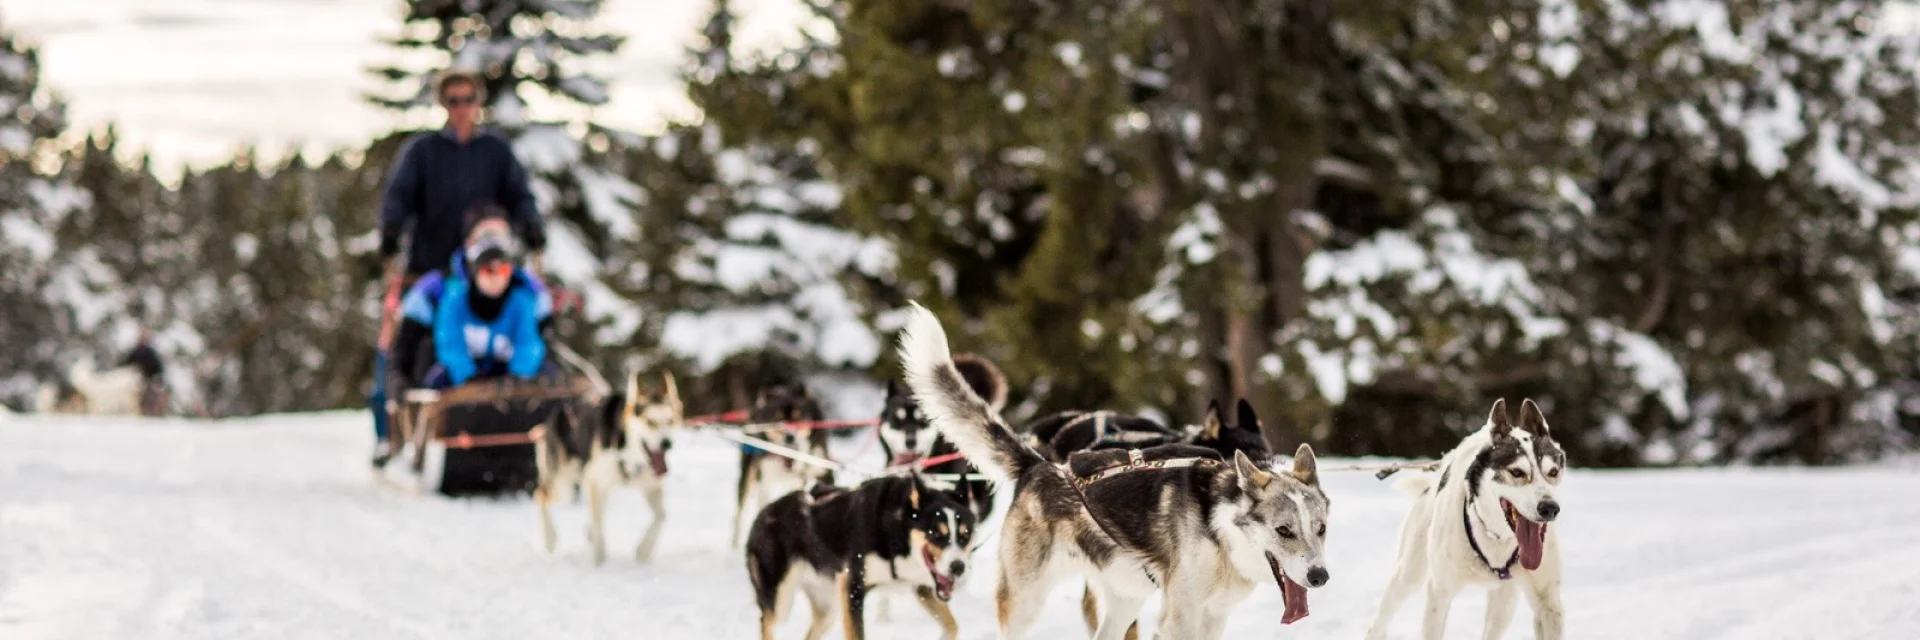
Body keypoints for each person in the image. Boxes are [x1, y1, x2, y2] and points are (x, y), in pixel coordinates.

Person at [369, 67, 544, 463]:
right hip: (430, 268)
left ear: (479, 101)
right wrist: (391, 228)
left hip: (486, 270)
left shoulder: (495, 152)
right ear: (442, 104)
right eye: (453, 100)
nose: (462, 108)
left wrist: (530, 223)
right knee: (401, 345)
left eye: (469, 99)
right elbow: (398, 195)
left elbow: (519, 194)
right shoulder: (423, 152)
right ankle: (389, 431)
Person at [373, 205, 553, 468]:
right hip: (458, 377)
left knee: (548, 376)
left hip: (508, 376)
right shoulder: (445, 292)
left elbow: (532, 342)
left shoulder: (525, 295)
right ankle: (416, 445)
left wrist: (521, 376)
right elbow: (446, 342)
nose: (495, 277)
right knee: (428, 367)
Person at [118, 328, 167, 416]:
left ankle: (152, 412)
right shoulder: (135, 351)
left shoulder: (151, 352)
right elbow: (125, 364)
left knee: (152, 394)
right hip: (136, 379)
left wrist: (157, 378)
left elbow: (158, 368)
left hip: (149, 380)